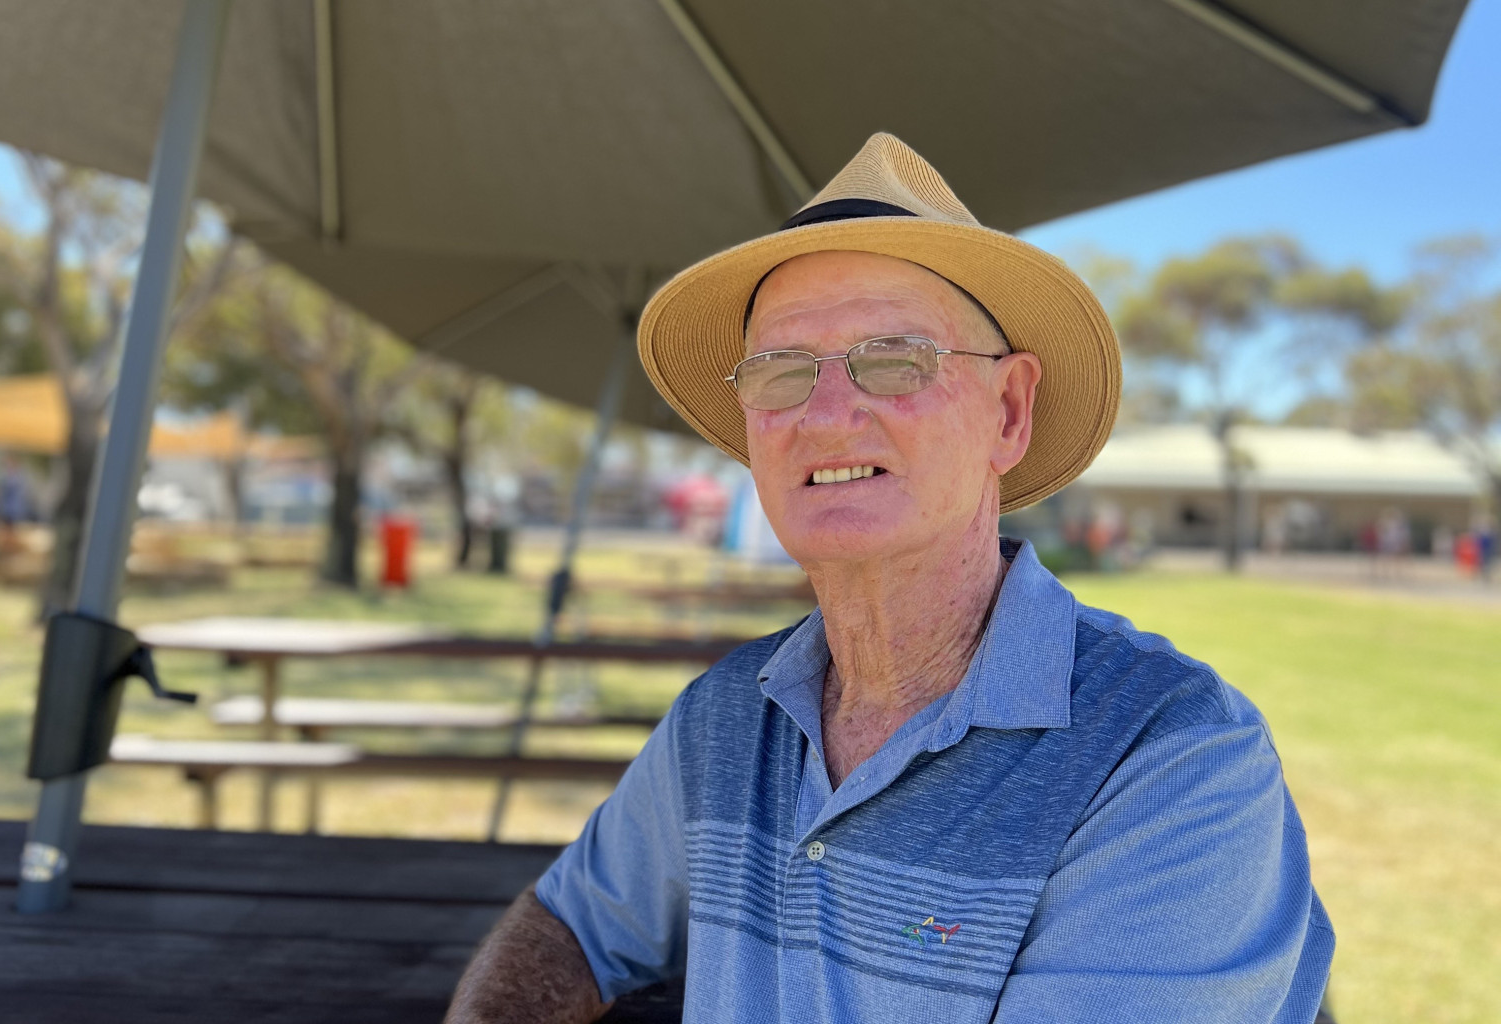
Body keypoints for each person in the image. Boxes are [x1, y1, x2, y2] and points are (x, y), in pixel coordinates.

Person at [445, 134, 1333, 1023]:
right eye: (781, 370)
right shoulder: (723, 722)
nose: (828, 415)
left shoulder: (1169, 759)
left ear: (1009, 412)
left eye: (895, 358)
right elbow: (568, 924)